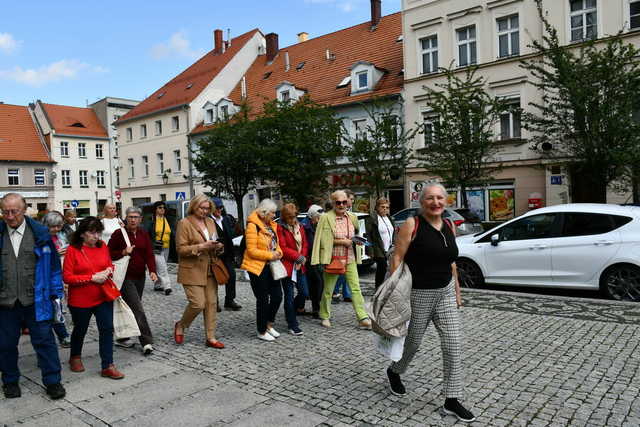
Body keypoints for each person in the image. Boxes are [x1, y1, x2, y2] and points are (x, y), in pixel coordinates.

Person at [385, 183, 474, 423]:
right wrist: (395, 293)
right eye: (430, 198)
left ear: (446, 201)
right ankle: (395, 371)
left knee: (453, 343)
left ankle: (452, 399)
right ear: (421, 201)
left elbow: (451, 261)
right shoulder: (411, 225)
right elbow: (397, 258)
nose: (435, 202)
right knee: (412, 343)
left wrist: (456, 292)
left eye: (439, 198)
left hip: (444, 292)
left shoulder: (448, 225)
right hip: (418, 294)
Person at [0, 193, 66, 400]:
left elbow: (54, 268)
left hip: (37, 301)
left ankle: (53, 381)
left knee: (45, 342)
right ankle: (10, 381)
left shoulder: (41, 235)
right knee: (6, 344)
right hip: (5, 302)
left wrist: (56, 295)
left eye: (14, 212)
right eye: (5, 212)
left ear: (25, 209)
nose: (9, 217)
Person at [63, 217, 125, 380]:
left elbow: (109, 264)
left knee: (106, 329)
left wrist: (108, 271)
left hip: (103, 295)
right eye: (92, 232)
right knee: (80, 329)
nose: (96, 236)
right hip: (80, 300)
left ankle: (108, 365)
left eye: (98, 232)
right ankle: (75, 356)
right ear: (82, 234)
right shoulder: (73, 250)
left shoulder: (102, 246)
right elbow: (67, 277)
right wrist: (91, 277)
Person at [311, 190, 371, 329]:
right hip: (333, 258)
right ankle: (324, 315)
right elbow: (321, 240)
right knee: (328, 290)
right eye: (338, 202)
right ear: (333, 203)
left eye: (344, 202)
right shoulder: (325, 217)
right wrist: (342, 242)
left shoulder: (351, 217)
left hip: (350, 257)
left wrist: (357, 241)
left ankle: (362, 317)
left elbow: (354, 234)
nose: (342, 205)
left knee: (355, 288)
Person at [173, 194, 225, 349]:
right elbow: (180, 249)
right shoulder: (184, 223)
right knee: (197, 303)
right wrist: (201, 247)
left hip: (210, 268)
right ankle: (181, 325)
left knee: (211, 304)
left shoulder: (210, 221)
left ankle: (210, 337)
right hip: (192, 269)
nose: (204, 211)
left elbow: (214, 241)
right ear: (194, 206)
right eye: (201, 208)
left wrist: (218, 247)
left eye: (207, 208)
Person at [108, 207, 157, 355]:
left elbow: (149, 253)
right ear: (126, 218)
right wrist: (123, 252)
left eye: (136, 217)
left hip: (140, 276)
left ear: (141, 219)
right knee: (137, 309)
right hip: (125, 277)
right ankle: (146, 342)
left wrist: (153, 270)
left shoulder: (143, 233)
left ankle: (123, 336)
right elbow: (108, 253)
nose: (133, 219)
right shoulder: (118, 234)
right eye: (130, 217)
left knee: (132, 308)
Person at [240, 199, 283, 342]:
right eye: (272, 213)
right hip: (257, 267)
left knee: (277, 296)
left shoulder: (271, 225)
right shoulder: (253, 226)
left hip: (271, 265)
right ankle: (261, 330)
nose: (274, 215)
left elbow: (276, 244)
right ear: (265, 213)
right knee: (263, 299)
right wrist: (270, 255)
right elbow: (251, 251)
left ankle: (269, 324)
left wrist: (278, 252)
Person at [277, 203, 309, 336]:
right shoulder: (280, 228)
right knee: (289, 296)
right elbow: (283, 248)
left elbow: (305, 243)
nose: (293, 219)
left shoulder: (300, 226)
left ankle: (293, 310)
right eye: (290, 217)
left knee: (304, 292)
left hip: (300, 265)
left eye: (294, 216)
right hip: (288, 266)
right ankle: (292, 323)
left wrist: (302, 257)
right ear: (284, 217)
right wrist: (297, 257)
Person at [42, 211, 71, 348]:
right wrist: (55, 253)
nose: (56, 229)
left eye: (58, 226)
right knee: (52, 309)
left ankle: (63, 335)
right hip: (45, 279)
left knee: (57, 308)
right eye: (53, 226)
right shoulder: (41, 238)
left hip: (59, 275)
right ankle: (62, 336)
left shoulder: (60, 236)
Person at [211, 198, 241, 311]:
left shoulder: (226, 219)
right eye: (217, 208)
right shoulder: (209, 220)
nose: (219, 210)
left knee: (231, 276)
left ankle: (229, 300)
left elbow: (230, 236)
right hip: (215, 254)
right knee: (215, 278)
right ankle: (215, 302)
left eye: (221, 207)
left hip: (227, 253)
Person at [300, 204, 324, 319]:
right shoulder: (305, 226)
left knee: (316, 284)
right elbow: (306, 244)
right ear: (311, 216)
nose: (319, 220)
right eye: (317, 218)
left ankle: (314, 308)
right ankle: (315, 308)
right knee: (316, 283)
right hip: (308, 259)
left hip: (317, 258)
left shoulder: (316, 225)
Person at [366, 197, 395, 288]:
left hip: (389, 248)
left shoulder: (389, 218)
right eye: (382, 207)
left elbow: (393, 232)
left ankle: (385, 288)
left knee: (389, 269)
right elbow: (368, 235)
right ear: (377, 207)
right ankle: (378, 288)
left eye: (387, 207)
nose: (385, 209)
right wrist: (370, 251)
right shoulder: (373, 218)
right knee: (382, 268)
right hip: (378, 248)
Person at [144, 201, 173, 296]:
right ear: (155, 209)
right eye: (160, 207)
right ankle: (167, 286)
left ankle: (157, 284)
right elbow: (146, 234)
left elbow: (172, 232)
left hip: (166, 247)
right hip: (156, 248)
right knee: (162, 267)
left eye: (163, 207)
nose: (162, 209)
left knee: (158, 266)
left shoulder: (168, 219)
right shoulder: (151, 221)